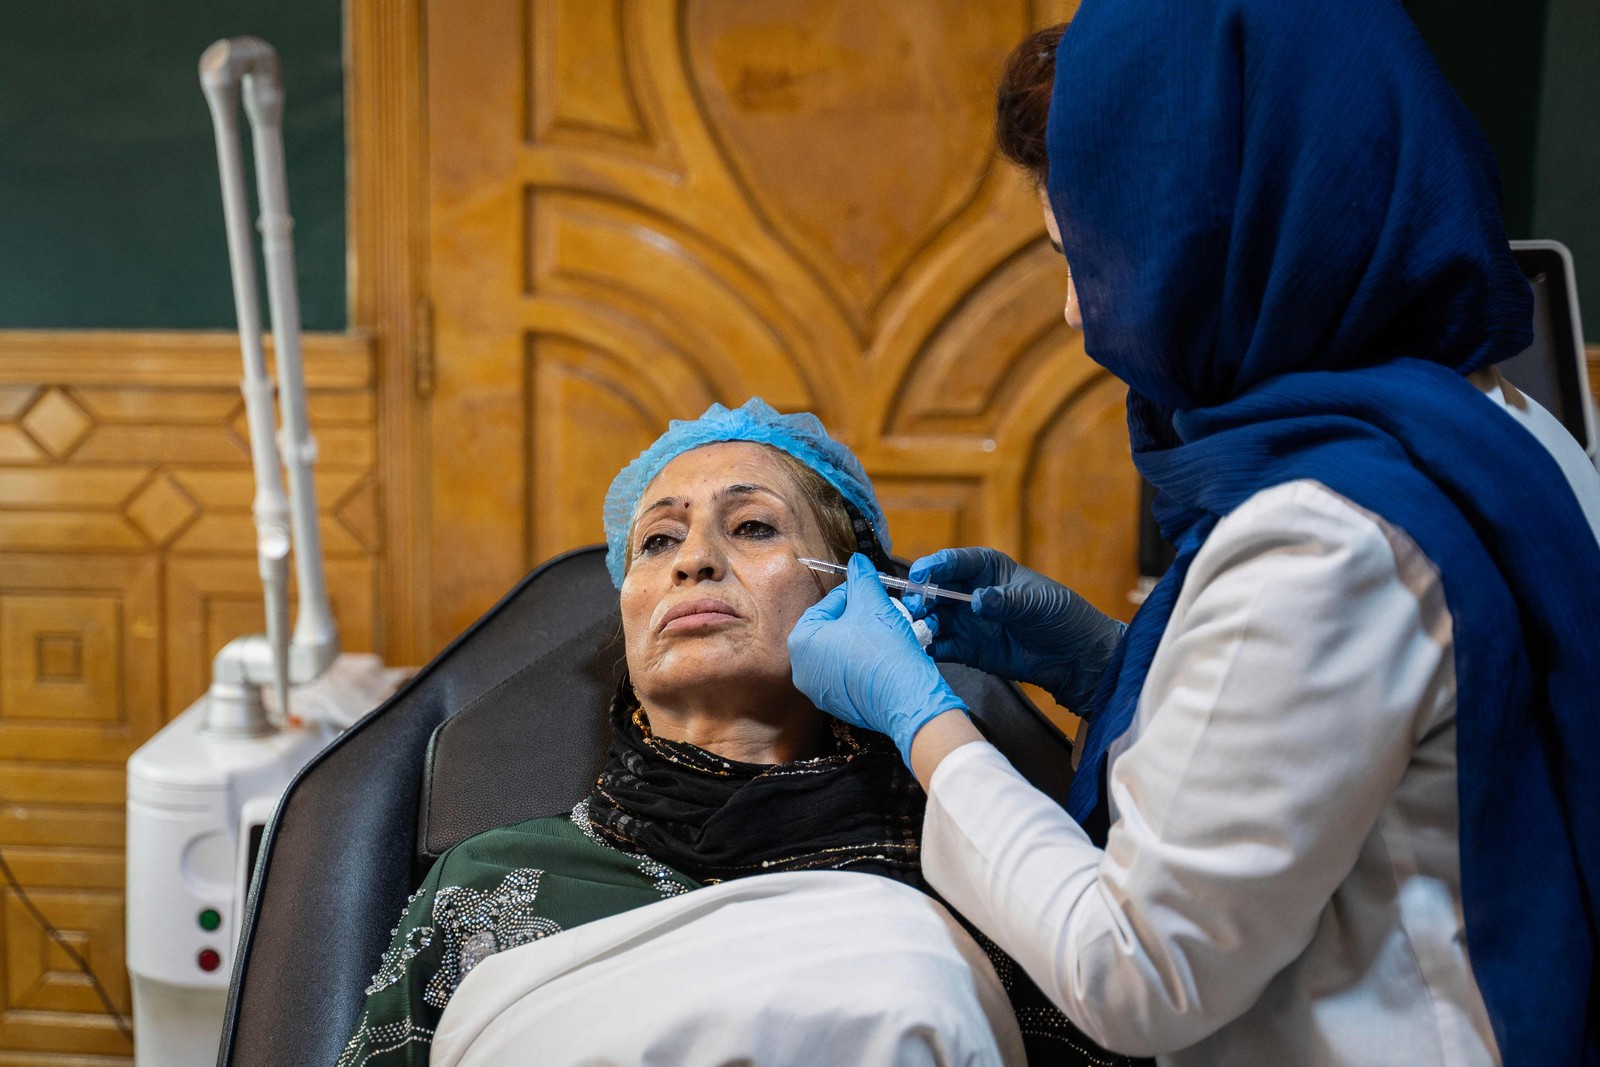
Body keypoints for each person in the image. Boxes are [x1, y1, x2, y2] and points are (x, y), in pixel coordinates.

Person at [787, 2, 1600, 1065]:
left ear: (1223, 236)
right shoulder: (1499, 426)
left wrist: (924, 722)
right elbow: (1343, 739)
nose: (1076, 311)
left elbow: (1137, 971)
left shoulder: (1324, 534)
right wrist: (1107, 663)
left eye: (1090, 255)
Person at [338, 399, 1133, 1067]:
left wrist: (1119, 676)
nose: (694, 560)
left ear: (855, 595)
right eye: (657, 540)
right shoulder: (485, 882)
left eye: (753, 526)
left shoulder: (987, 869)